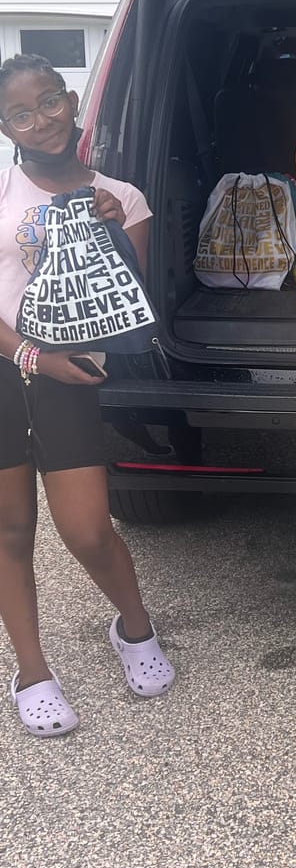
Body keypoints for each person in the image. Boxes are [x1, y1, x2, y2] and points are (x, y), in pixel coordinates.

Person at [0, 53, 174, 737]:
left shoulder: (122, 196)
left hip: (71, 379)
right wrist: (33, 353)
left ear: (72, 102)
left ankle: (134, 627)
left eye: (48, 102)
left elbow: (128, 307)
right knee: (11, 530)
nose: (39, 120)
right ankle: (32, 671)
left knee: (88, 530)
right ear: (5, 125)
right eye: (20, 112)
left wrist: (105, 227)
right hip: (9, 366)